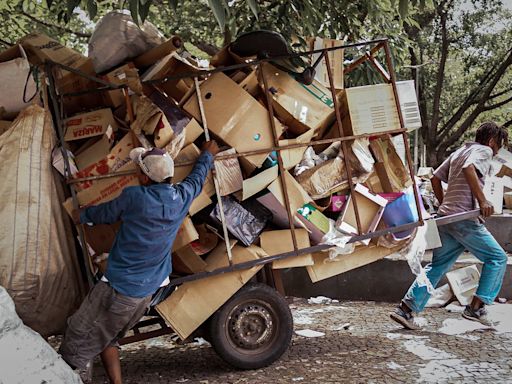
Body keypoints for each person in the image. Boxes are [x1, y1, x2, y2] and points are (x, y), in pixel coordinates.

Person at [59, 141, 219, 383]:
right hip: (146, 292)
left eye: (138, 171)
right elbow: (197, 179)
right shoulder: (180, 197)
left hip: (118, 289)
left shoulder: (135, 198)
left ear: (144, 179)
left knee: (77, 340)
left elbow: (105, 213)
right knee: (108, 337)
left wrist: (81, 215)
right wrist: (207, 154)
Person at [390, 122, 508, 330]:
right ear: (491, 141)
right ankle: (476, 308)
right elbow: (468, 168)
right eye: (498, 146)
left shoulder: (461, 151)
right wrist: (483, 201)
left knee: (437, 266)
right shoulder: (483, 150)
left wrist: (445, 203)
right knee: (497, 258)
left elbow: (435, 178)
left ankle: (406, 310)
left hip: (447, 218)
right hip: (463, 219)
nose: (496, 150)